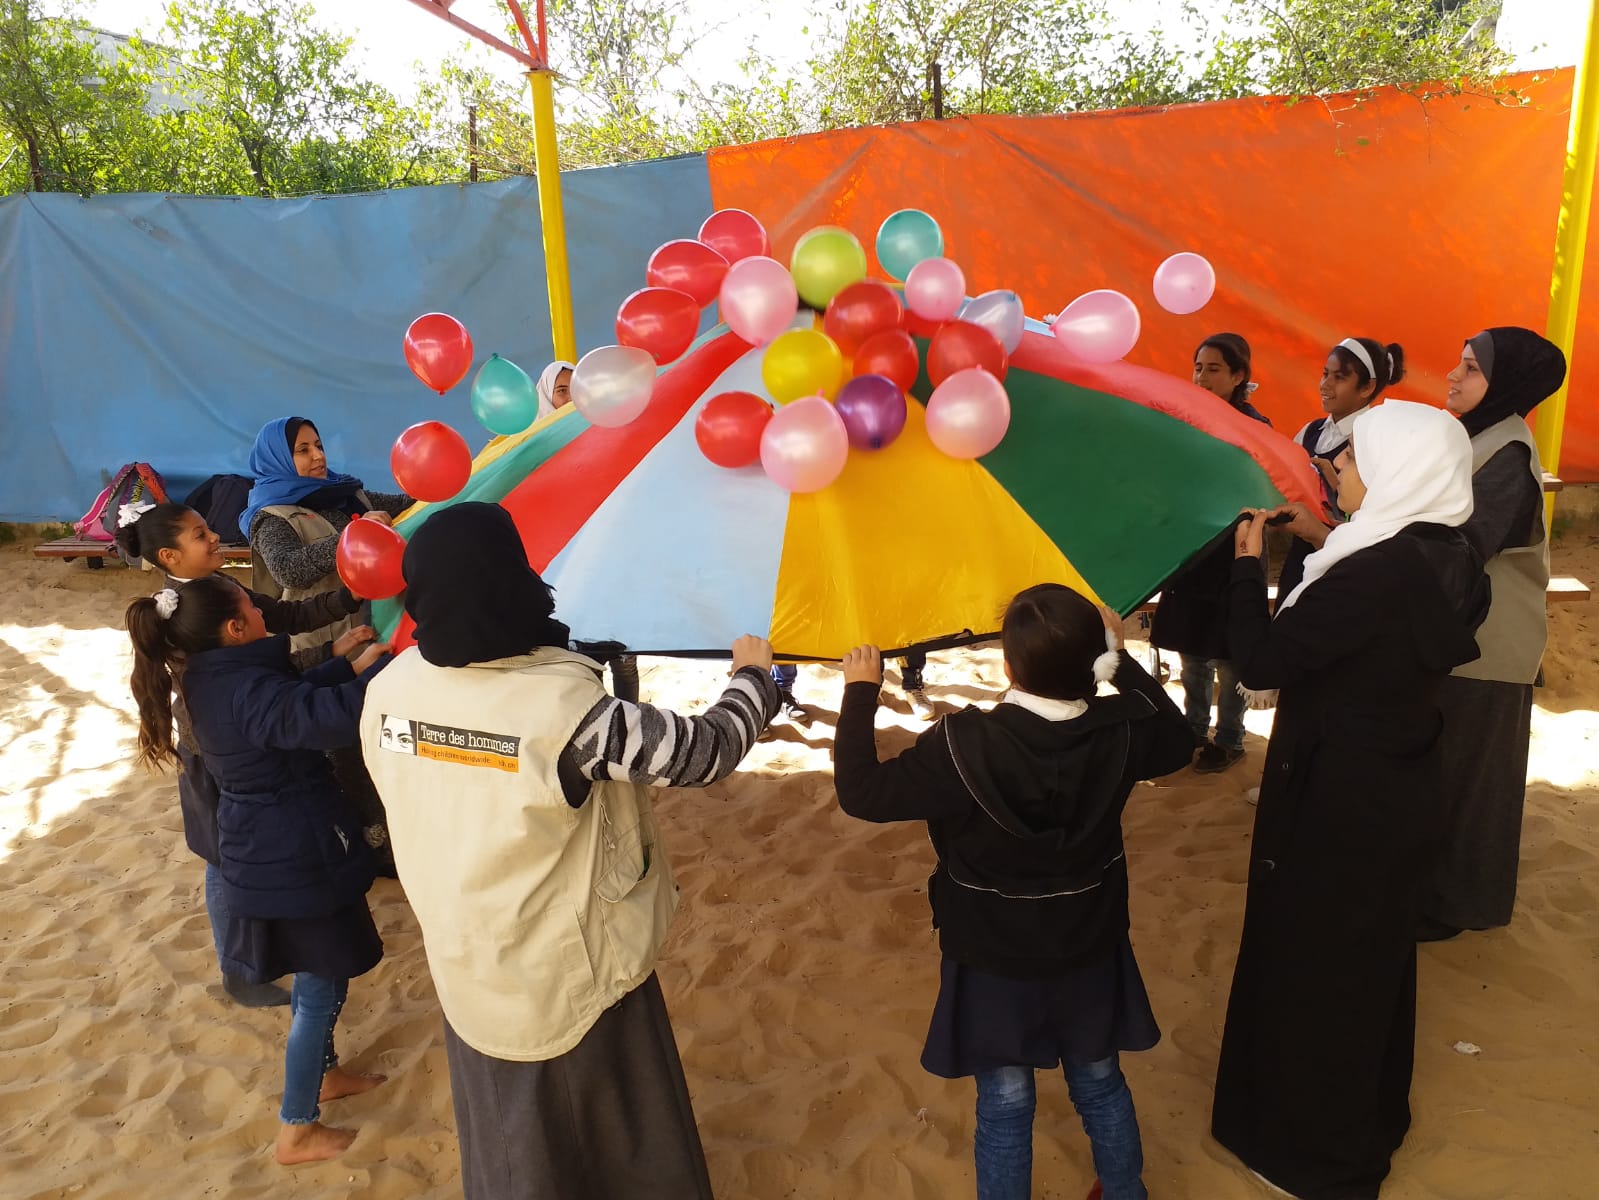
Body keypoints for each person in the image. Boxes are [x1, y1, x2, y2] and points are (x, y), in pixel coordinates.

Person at [359, 501, 780, 1200]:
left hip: (467, 961)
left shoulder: (388, 690)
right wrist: (752, 681)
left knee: (513, 1139)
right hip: (569, 973)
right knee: (612, 1132)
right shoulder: (567, 716)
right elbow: (703, 753)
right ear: (510, 583)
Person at [832, 584, 1195, 1200]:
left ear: (1007, 666)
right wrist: (1122, 660)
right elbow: (1179, 737)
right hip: (1090, 937)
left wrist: (861, 691)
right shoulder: (1122, 732)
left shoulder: (959, 744)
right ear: (1094, 662)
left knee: (1004, 1102)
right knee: (1100, 1080)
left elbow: (861, 792)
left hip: (993, 949)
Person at [1211, 402, 1491, 1200]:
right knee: (1365, 960)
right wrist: (1317, 537)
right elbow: (1372, 618)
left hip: (1337, 794)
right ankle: (1365, 1114)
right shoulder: (1445, 553)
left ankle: (1314, 1152)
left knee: (1316, 965)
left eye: (1350, 457)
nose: (1333, 466)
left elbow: (1264, 660)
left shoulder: (1371, 573)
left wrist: (1245, 564)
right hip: (1395, 783)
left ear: (1399, 471)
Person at [126, 575, 393, 1165]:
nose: (261, 608)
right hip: (290, 855)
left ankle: (325, 1075)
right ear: (235, 628)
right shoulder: (242, 690)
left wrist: (352, 666)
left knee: (325, 974)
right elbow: (323, 718)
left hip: (285, 847)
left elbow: (293, 700)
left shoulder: (219, 678)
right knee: (320, 989)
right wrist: (389, 674)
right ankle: (296, 1128)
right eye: (252, 604)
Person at [115, 501, 375, 1008]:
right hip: (220, 753)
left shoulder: (225, 593)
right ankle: (241, 967)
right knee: (224, 856)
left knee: (238, 852)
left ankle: (254, 956)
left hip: (243, 742)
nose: (214, 537)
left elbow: (283, 622)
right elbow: (248, 689)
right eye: (199, 534)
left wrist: (347, 606)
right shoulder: (186, 616)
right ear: (170, 555)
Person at [1420, 327, 1567, 940]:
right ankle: (1437, 896)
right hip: (1455, 637)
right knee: (1446, 774)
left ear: (1506, 384)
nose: (1454, 376)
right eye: (1458, 362)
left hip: (1489, 647)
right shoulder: (1474, 436)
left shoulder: (1507, 454)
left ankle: (1460, 909)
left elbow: (1463, 547)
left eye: (1473, 368)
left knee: (1474, 782)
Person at [241, 416, 410, 864]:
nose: (317, 456)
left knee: (379, 738)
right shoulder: (270, 515)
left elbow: (411, 499)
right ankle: (369, 843)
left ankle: (389, 834)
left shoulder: (346, 492)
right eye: (302, 449)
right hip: (320, 648)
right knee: (344, 750)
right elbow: (289, 569)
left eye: (318, 445)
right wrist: (351, 535)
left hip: (370, 633)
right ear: (278, 457)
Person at [1151, 334, 1272, 773]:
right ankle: (1193, 730)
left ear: (1239, 376)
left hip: (1232, 554)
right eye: (1198, 367)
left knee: (1228, 655)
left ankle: (1230, 737)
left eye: (1214, 368)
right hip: (1191, 556)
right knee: (1192, 653)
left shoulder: (1254, 426)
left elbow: (1257, 491)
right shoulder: (1185, 420)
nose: (1202, 377)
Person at [1276, 336, 1405, 600]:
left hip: (1347, 562)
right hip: (1301, 555)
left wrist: (1334, 487)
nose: (1326, 384)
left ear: (1367, 387)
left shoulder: (1376, 437)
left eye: (1339, 377)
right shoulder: (1311, 432)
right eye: (1325, 374)